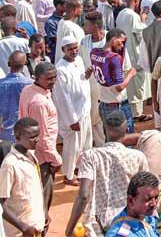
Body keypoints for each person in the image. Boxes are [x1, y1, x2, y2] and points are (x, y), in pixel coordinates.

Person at [65, 111, 149, 237]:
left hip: (97, 226)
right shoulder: (138, 157)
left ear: (104, 130)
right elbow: (146, 192)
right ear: (126, 131)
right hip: (128, 225)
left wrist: (69, 228)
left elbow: (83, 195)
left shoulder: (90, 156)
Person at [18, 61, 59, 217]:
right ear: (36, 77)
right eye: (48, 78)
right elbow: (41, 137)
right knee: (42, 203)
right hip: (42, 158)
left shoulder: (29, 90)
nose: (53, 81)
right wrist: (55, 160)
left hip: (32, 153)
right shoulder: (39, 103)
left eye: (54, 77)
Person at [53, 34, 93, 186]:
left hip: (84, 110)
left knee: (85, 143)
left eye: (76, 48)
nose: (74, 51)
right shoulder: (60, 69)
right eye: (70, 49)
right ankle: (68, 175)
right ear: (63, 50)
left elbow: (79, 82)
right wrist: (72, 120)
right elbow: (63, 97)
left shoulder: (80, 60)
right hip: (73, 116)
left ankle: (79, 169)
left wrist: (86, 76)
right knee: (72, 147)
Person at [0, 117, 46, 237]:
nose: (36, 140)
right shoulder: (10, 164)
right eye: (32, 137)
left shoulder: (31, 156)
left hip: (36, 227)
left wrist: (44, 213)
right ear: (18, 136)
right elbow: (2, 204)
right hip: (20, 232)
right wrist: (23, 227)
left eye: (38, 135)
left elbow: (36, 191)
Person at [104, 171, 161, 237]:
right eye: (148, 199)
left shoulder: (148, 216)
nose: (154, 204)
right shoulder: (120, 234)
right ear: (131, 200)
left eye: (156, 197)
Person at [0, 51, 30, 141]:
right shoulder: (30, 85)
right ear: (25, 63)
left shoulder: (1, 84)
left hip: (2, 134)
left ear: (9, 64)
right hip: (23, 133)